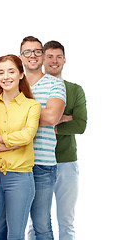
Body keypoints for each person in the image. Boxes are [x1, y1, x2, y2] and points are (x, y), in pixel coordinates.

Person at [0, 55, 41, 240]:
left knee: (15, 235)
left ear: (21, 75)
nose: (6, 76)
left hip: (20, 179)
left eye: (11, 71)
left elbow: (27, 136)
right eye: (1, 72)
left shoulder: (32, 106)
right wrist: (10, 142)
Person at [19, 36, 66, 240]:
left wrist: (19, 115)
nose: (33, 56)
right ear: (21, 56)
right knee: (9, 224)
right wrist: (40, 110)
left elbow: (52, 117)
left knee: (42, 225)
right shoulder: (13, 82)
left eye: (37, 51)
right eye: (27, 52)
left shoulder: (55, 84)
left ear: (43, 55)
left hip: (43, 164)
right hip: (15, 163)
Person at [43, 40, 87, 240]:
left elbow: (80, 125)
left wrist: (51, 121)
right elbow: (27, 123)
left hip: (66, 162)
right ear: (42, 59)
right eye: (50, 56)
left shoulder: (75, 90)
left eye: (58, 57)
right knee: (38, 222)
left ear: (64, 60)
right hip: (38, 162)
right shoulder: (33, 88)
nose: (54, 61)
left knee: (66, 222)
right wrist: (63, 118)